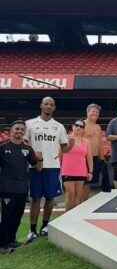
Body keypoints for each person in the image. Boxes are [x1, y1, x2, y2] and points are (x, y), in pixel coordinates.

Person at [25, 97, 74, 243]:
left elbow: (64, 148)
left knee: (50, 198)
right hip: (35, 167)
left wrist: (70, 145)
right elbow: (26, 145)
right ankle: (32, 230)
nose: (48, 106)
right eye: (46, 103)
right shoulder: (30, 124)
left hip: (52, 167)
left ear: (54, 108)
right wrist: (35, 159)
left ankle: (45, 226)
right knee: (35, 198)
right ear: (41, 105)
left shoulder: (58, 126)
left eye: (51, 104)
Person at [0, 121, 38, 254]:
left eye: (22, 130)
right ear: (11, 130)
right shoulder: (3, 147)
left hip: (22, 189)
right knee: (6, 216)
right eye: (17, 129)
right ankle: (3, 244)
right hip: (7, 189)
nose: (19, 131)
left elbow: (36, 164)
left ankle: (12, 240)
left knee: (17, 216)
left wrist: (41, 159)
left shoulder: (27, 149)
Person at [61, 121, 93, 211]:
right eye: (76, 125)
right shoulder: (65, 139)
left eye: (81, 126)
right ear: (72, 126)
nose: (78, 128)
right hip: (67, 171)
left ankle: (75, 217)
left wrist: (90, 171)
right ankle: (67, 217)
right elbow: (59, 155)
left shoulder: (86, 142)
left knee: (78, 197)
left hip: (81, 172)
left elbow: (89, 158)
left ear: (83, 129)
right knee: (70, 194)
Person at [83, 103, 109, 198]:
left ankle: (86, 202)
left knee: (90, 183)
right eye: (93, 111)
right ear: (87, 112)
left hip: (95, 157)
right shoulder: (82, 125)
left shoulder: (98, 127)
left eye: (97, 112)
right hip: (84, 158)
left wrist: (102, 158)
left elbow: (99, 143)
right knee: (83, 183)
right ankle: (81, 203)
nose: (95, 114)